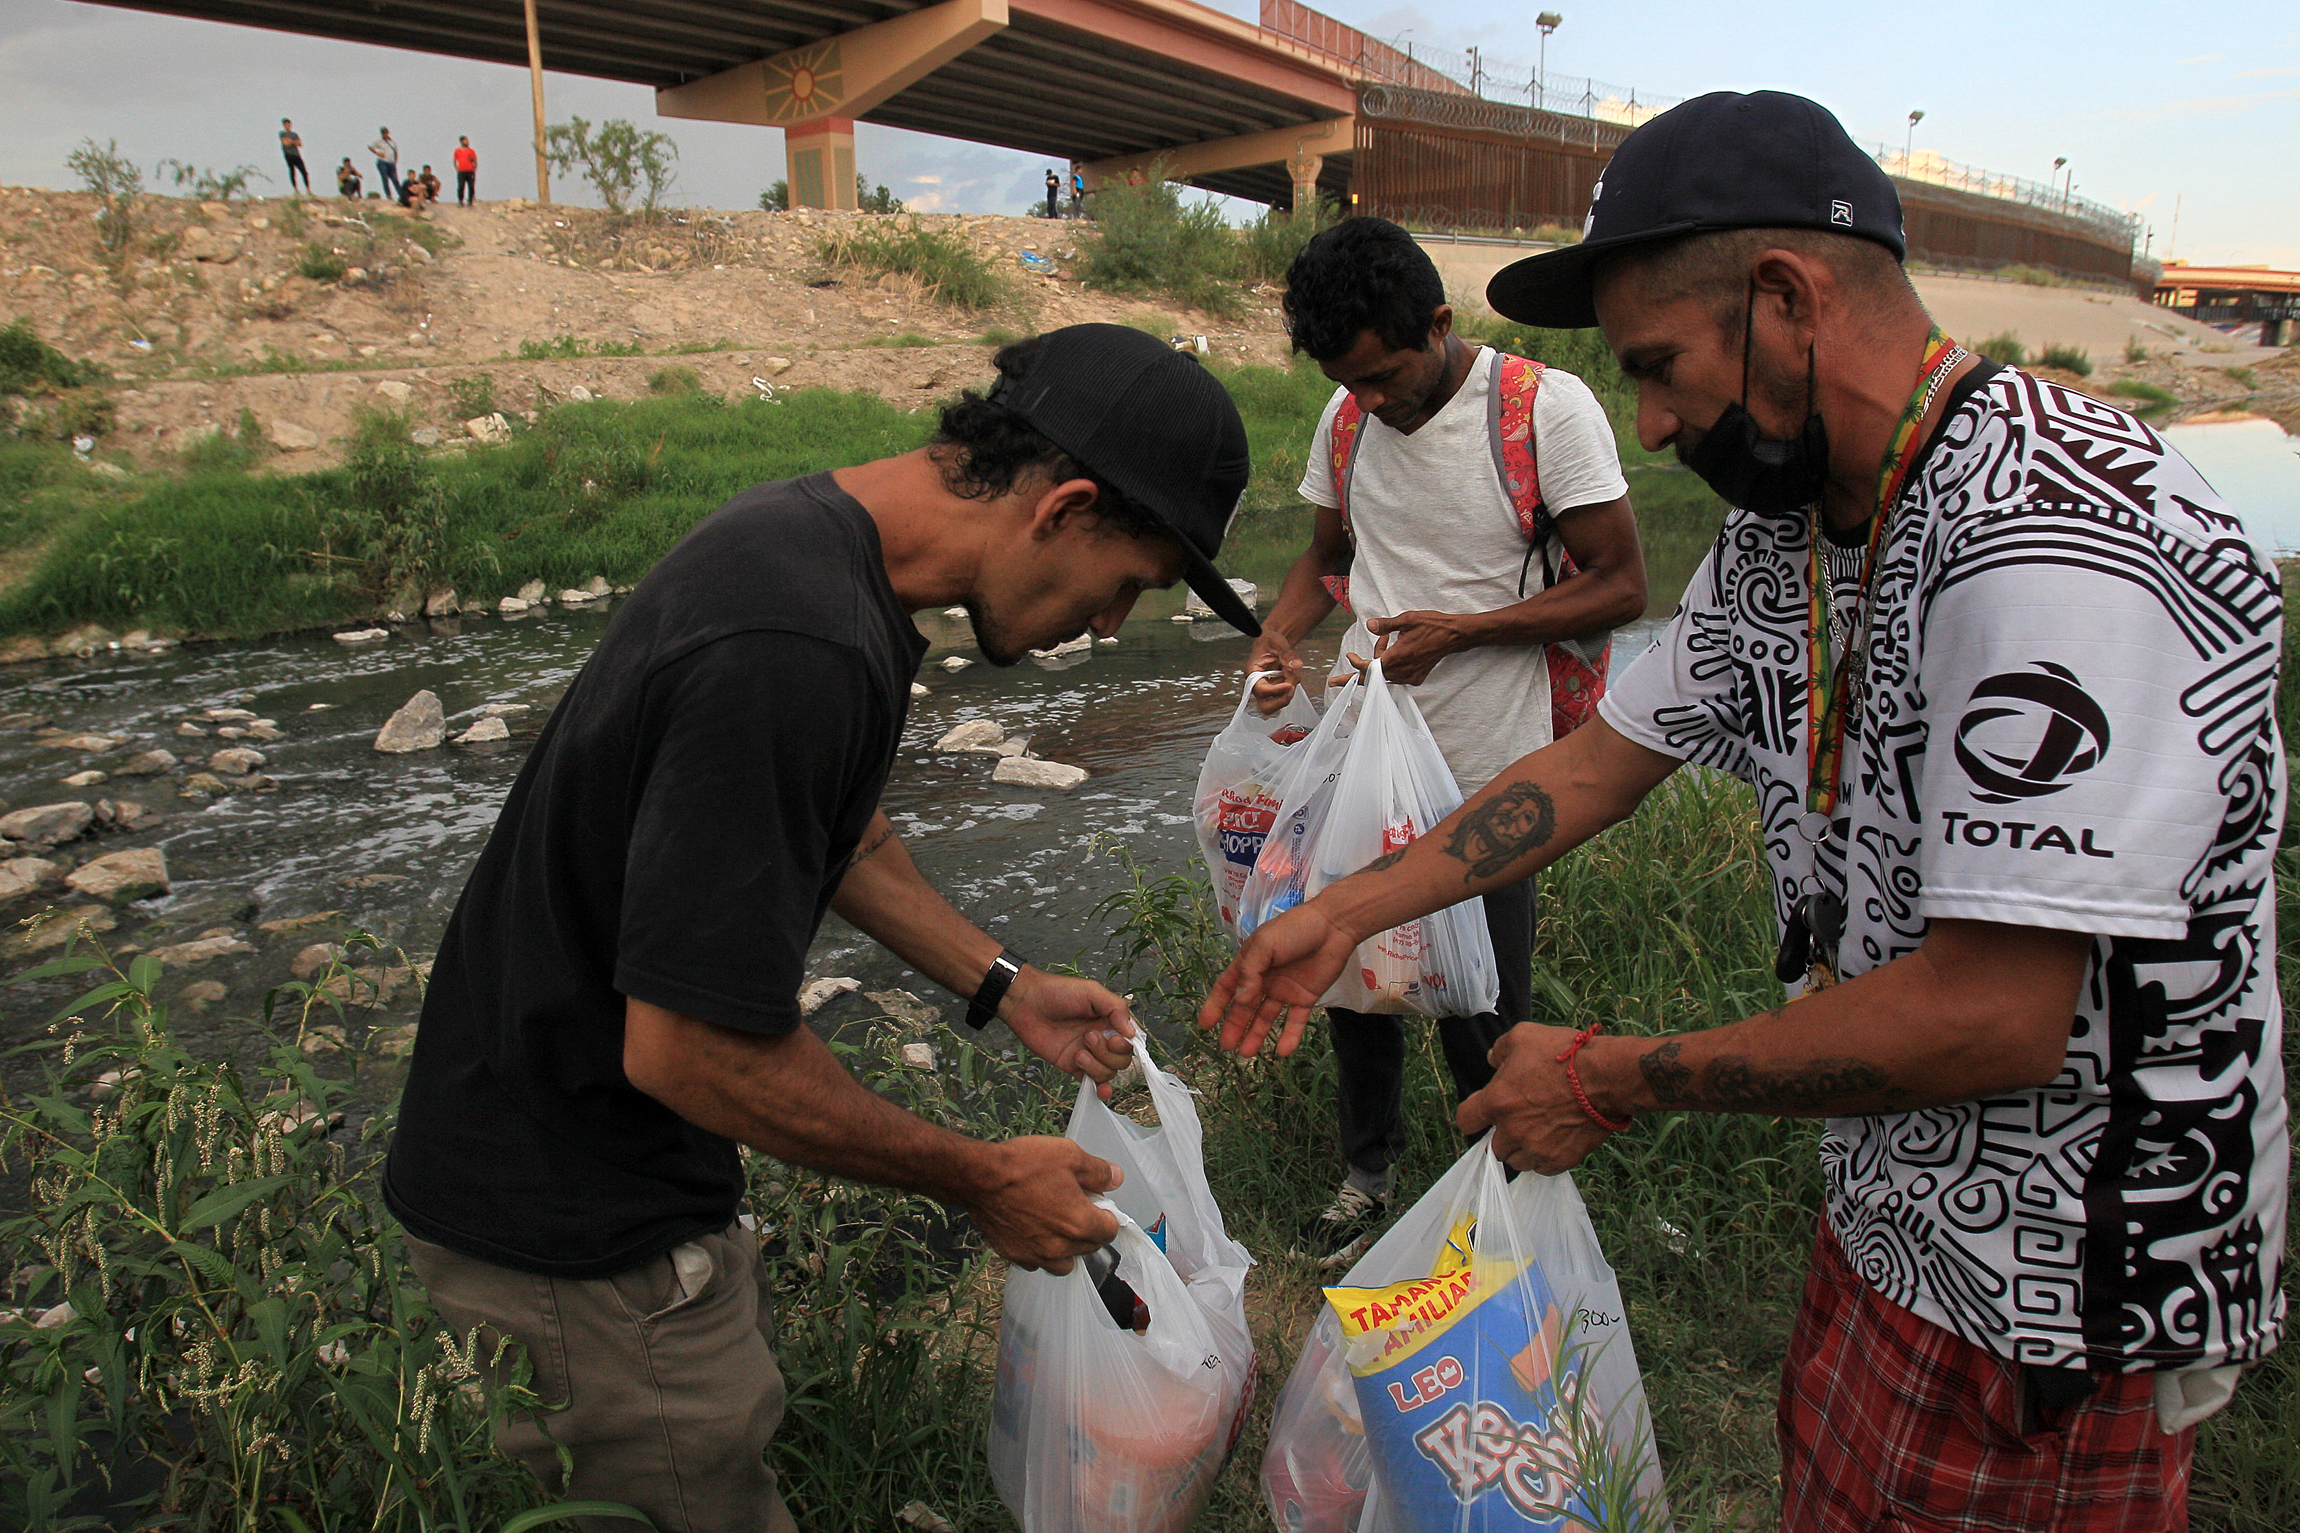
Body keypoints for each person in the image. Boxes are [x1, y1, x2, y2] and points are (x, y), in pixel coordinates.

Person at [1202, 91, 2287, 1533]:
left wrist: (1613, 1076)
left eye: (1658, 369)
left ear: (1788, 302)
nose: (1647, 427)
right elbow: (1590, 769)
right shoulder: (1794, 537)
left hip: (2056, 1296)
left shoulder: (2053, 537)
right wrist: (1336, 909)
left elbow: (1991, 1016)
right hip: (1892, 1206)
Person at [384, 323, 1264, 1533]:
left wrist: (1001, 983)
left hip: (561, 1157)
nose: (1111, 624)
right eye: (1130, 581)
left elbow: (834, 828)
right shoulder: (794, 641)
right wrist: (978, 1181)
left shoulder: (804, 544)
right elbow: (688, 1049)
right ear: (1061, 509)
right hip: (574, 1223)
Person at [1248, 216, 1645, 1265]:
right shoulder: (1344, 419)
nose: (1371, 402)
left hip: (1490, 766)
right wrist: (1278, 636)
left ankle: (1500, 1200)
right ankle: (1365, 1178)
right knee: (1353, 980)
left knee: (1481, 1002)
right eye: (1350, 383)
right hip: (1357, 750)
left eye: (1385, 375)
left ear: (1438, 322)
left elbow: (1619, 587)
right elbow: (1326, 558)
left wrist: (1462, 633)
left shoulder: (1539, 412)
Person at [278, 118, 311, 195]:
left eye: (288, 124)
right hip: (288, 154)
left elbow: (299, 144)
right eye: (286, 124)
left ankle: (308, 189)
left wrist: (291, 141)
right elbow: (285, 143)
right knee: (292, 171)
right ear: (284, 125)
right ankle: (296, 189)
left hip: (296, 154)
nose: (287, 126)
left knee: (304, 172)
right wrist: (293, 142)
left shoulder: (294, 134)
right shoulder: (282, 134)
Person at [368, 126, 400, 202]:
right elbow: (370, 146)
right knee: (385, 179)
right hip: (383, 162)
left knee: (395, 179)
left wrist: (395, 161)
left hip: (391, 162)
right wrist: (377, 153)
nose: (384, 134)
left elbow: (395, 152)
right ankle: (389, 195)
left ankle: (401, 194)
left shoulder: (392, 142)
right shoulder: (379, 141)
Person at [453, 135, 477, 205]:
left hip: (470, 171)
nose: (467, 142)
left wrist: (474, 168)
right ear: (461, 141)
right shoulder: (457, 151)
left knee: (471, 186)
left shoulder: (471, 151)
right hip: (461, 171)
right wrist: (457, 168)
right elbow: (455, 160)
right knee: (461, 186)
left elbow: (475, 160)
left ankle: (470, 200)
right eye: (465, 140)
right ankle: (460, 200)